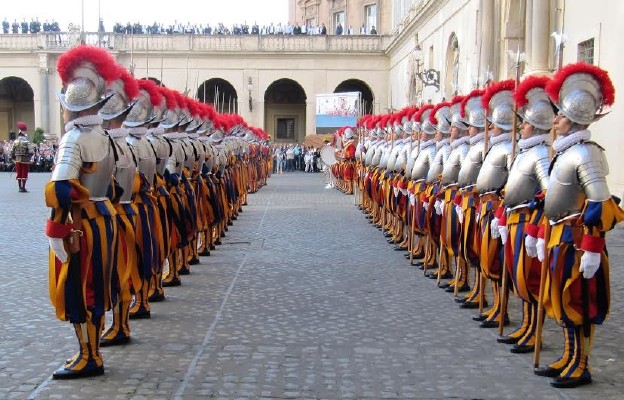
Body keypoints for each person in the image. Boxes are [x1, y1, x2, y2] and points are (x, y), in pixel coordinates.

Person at [530, 63, 624, 388]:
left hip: (580, 239)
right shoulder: (565, 150)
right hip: (560, 234)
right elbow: (562, 191)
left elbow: (600, 204)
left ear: (572, 119)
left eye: (559, 116)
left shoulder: (586, 153)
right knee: (560, 300)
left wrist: (593, 250)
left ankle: (581, 364)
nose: (553, 121)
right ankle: (568, 356)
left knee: (580, 302)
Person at [45, 45, 122, 379]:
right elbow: (116, 186)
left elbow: (62, 189)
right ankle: (93, 353)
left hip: (81, 227)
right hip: (106, 222)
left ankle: (89, 356)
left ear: (70, 109)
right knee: (100, 287)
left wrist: (56, 230)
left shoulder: (74, 138)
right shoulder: (106, 137)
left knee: (81, 289)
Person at [492, 76, 552, 354]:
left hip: (529, 223)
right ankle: (526, 326)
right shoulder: (525, 150)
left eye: (525, 123)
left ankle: (533, 331)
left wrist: (536, 229)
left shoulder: (541, 153)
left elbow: (547, 194)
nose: (522, 126)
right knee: (517, 276)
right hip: (513, 219)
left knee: (531, 279)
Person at [11, 122, 33, 192]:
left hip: (17, 160)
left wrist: (14, 158)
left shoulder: (15, 141)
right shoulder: (27, 142)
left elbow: (12, 151)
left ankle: (19, 187)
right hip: (25, 160)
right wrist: (29, 157)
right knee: (24, 173)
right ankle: (23, 187)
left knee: (19, 173)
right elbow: (31, 152)